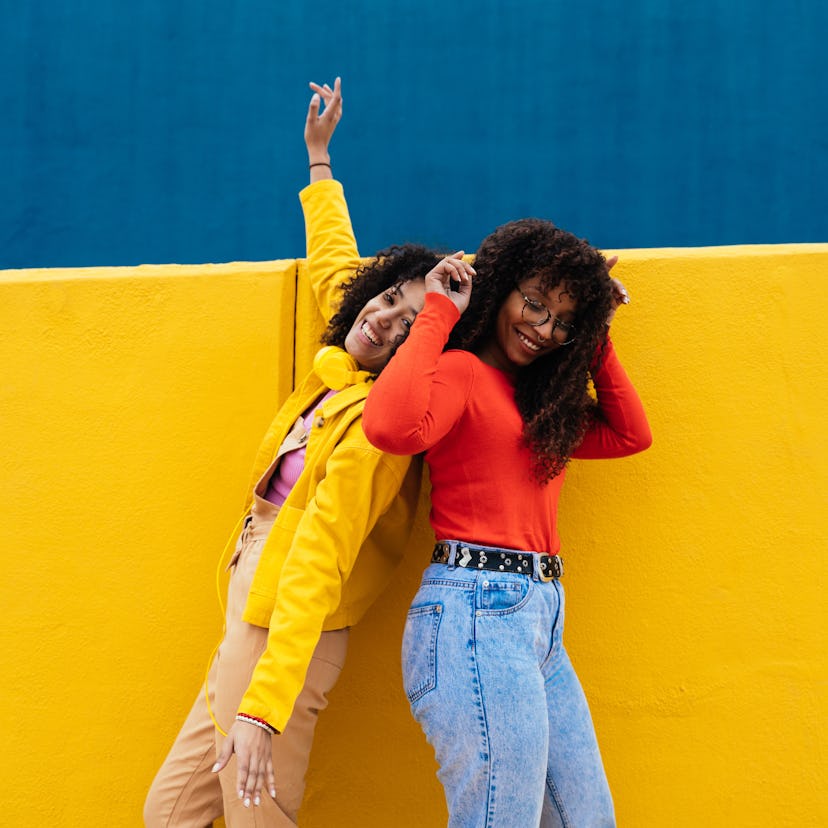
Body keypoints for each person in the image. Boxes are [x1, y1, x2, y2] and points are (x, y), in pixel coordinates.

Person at [145, 77, 441, 826]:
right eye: (386, 301)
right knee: (170, 813)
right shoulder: (343, 356)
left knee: (258, 818)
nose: (385, 320)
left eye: (411, 323)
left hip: (287, 627)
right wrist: (320, 158)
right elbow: (342, 270)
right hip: (249, 600)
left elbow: (321, 555)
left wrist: (266, 707)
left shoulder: (380, 424)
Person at [362, 221, 652, 826]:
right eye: (535, 303)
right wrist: (441, 311)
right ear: (503, 288)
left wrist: (594, 335)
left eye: (563, 321)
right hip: (475, 615)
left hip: (540, 624)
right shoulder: (462, 372)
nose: (544, 329)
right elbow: (389, 427)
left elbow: (630, 435)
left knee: (587, 818)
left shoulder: (541, 408)